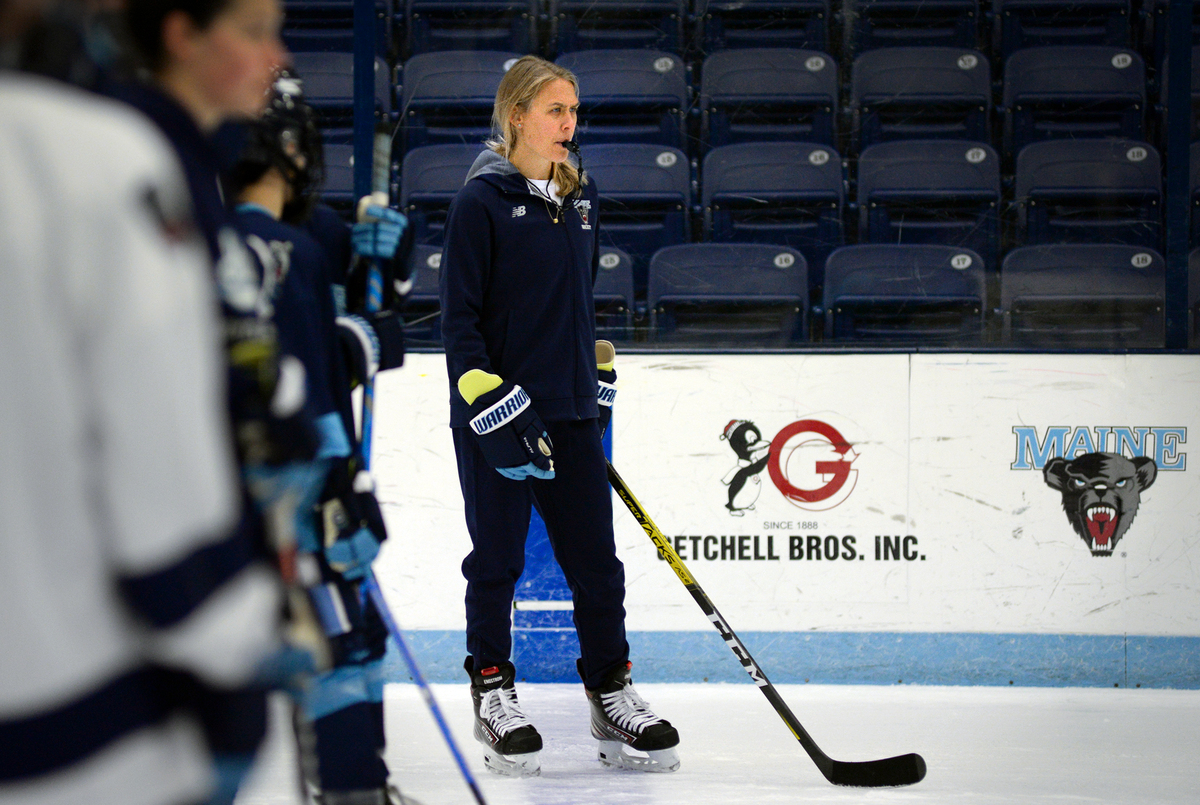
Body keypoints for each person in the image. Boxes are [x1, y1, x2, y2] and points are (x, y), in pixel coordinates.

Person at [0, 1, 284, 803]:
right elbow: (163, 483)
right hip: (73, 727)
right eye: (255, 29)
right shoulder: (98, 157)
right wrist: (235, 646)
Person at [438, 54, 680, 776]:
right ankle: (492, 690)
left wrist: (591, 374)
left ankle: (610, 691)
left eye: (574, 111)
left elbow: (574, 306)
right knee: (499, 560)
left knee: (597, 569)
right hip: (499, 417)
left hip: (569, 410)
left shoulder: (581, 196)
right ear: (517, 115)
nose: (570, 124)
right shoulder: (480, 201)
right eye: (555, 110)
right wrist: (483, 398)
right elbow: (459, 323)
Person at [225, 70, 418, 805]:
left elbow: (367, 305)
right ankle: (351, 782)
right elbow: (323, 353)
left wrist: (386, 262)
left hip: (240, 478)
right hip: (302, 476)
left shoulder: (220, 236)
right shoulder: (280, 247)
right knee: (343, 639)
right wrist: (369, 339)